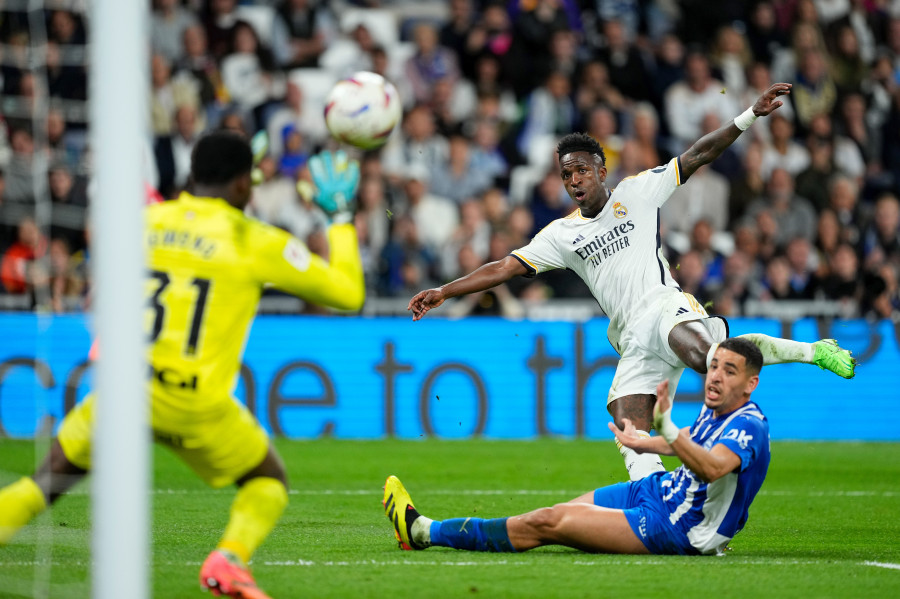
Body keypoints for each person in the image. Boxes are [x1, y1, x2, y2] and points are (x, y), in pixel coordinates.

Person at [408, 83, 856, 482]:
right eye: (566, 174)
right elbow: (505, 267)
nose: (574, 180)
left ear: (602, 169)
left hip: (664, 307)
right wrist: (446, 290)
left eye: (581, 169)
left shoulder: (637, 192)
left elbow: (697, 155)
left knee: (710, 361)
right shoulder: (561, 235)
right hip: (631, 338)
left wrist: (748, 116)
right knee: (628, 431)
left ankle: (815, 351)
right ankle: (657, 502)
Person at [0, 131, 365, 599]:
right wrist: (340, 217)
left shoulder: (144, 222)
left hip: (125, 392)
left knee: (41, 486)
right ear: (241, 187)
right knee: (267, 480)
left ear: (192, 174)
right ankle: (229, 558)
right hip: (195, 403)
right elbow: (349, 294)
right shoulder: (253, 239)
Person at [383, 337, 769, 556]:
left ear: (750, 384)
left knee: (547, 523)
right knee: (557, 513)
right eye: (714, 365)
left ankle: (422, 531)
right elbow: (690, 445)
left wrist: (667, 429)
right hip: (656, 493)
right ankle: (424, 532)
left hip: (676, 527)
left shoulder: (749, 426)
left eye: (728, 371)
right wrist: (645, 441)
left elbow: (713, 466)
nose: (715, 376)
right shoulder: (717, 409)